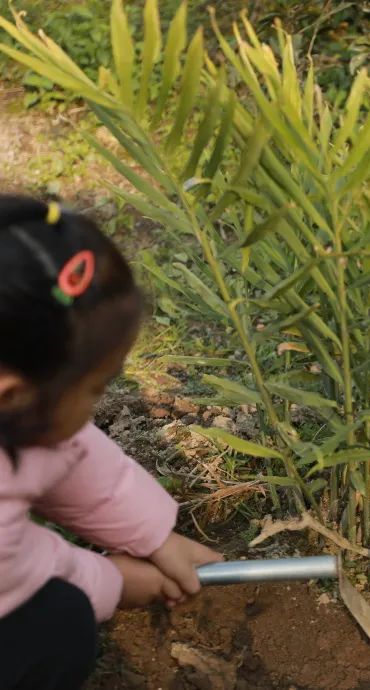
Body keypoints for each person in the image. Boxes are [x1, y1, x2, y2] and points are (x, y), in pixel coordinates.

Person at [0, 196, 223, 689]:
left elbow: (68, 450)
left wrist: (153, 536)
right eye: (97, 388)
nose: (97, 406)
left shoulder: (16, 394)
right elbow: (15, 571)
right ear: (13, 395)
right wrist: (113, 581)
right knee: (58, 622)